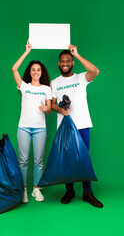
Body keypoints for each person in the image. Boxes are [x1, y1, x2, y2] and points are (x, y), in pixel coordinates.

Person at [50, 45, 103, 208]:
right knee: (68, 161)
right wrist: (61, 109)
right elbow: (52, 104)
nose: (65, 63)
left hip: (82, 125)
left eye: (68, 61)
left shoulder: (81, 78)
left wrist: (77, 54)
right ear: (59, 64)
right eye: (62, 61)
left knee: (83, 159)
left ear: (72, 63)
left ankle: (88, 193)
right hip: (65, 127)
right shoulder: (54, 82)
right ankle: (70, 191)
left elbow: (95, 71)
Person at [12, 40, 52, 203]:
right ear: (30, 71)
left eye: (39, 69)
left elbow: (49, 109)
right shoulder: (24, 86)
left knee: (39, 161)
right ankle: (24, 191)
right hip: (24, 128)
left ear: (42, 72)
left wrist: (45, 109)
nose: (36, 72)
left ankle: (36, 189)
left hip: (40, 129)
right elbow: (14, 69)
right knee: (22, 161)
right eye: (33, 69)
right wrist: (27, 51)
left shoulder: (46, 89)